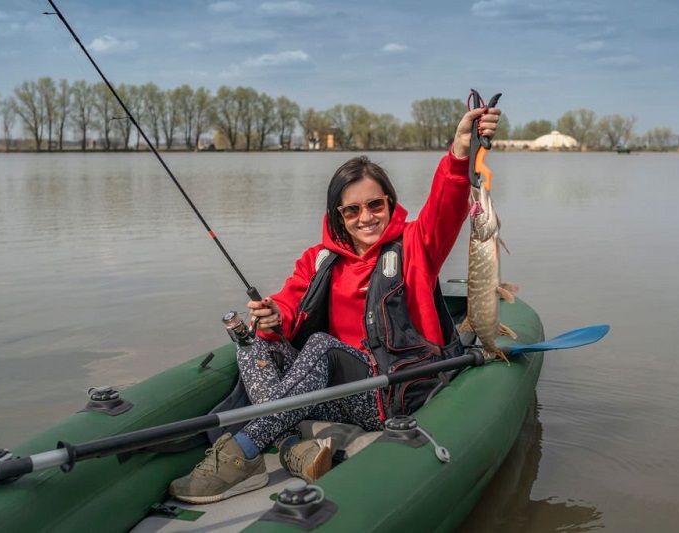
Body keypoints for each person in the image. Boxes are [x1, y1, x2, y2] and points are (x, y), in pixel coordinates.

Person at [169, 101, 502, 504]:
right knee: (251, 344)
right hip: (327, 393)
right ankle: (291, 442)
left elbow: (446, 205)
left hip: (387, 391)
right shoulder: (318, 258)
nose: (366, 217)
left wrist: (461, 148)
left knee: (321, 347)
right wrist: (273, 316)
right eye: (353, 209)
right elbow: (289, 308)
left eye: (376, 205)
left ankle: (245, 451)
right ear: (338, 215)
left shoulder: (416, 244)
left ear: (390, 204)